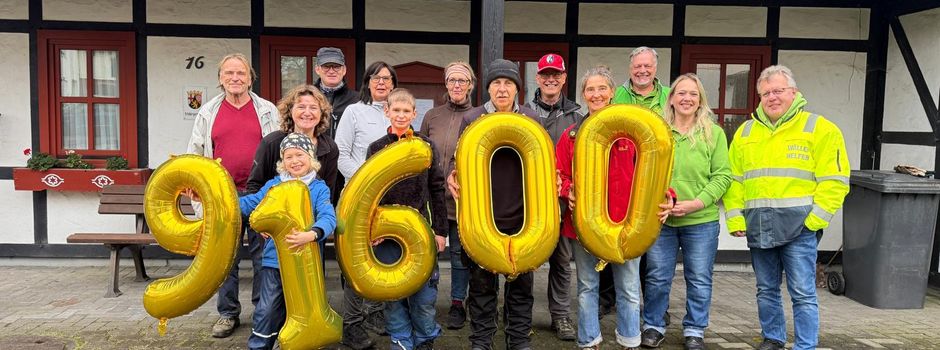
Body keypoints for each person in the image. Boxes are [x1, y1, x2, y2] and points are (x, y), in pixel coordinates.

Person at [724, 65, 850, 350]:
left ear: (793, 92)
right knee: (765, 290)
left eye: (778, 90)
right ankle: (773, 338)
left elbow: (836, 180)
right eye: (766, 93)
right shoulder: (745, 132)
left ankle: (805, 345)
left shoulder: (820, 129)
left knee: (803, 293)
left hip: (799, 228)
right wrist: (735, 220)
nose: (772, 97)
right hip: (759, 225)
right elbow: (733, 182)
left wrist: (814, 221)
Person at [556, 66, 672, 350]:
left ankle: (630, 340)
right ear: (583, 95)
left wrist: (668, 196)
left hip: (627, 225)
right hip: (583, 225)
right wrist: (566, 190)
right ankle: (588, 341)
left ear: (612, 92)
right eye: (590, 89)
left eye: (601, 88)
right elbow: (559, 175)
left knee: (629, 289)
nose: (596, 94)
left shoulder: (631, 133)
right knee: (586, 287)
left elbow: (654, 172)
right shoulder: (571, 135)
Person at [446, 58, 540, 350]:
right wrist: (452, 173)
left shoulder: (530, 119)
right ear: (487, 88)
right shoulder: (472, 118)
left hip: (522, 216)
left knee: (521, 286)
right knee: (482, 285)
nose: (502, 89)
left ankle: (518, 339)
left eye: (508, 83)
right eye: (496, 83)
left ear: (517, 89)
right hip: (483, 217)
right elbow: (459, 161)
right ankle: (481, 339)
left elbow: (542, 165)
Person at [186, 53, 280, 338]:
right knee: (225, 258)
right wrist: (193, 183)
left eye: (241, 73)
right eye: (229, 73)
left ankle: (263, 311)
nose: (235, 78)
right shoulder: (208, 112)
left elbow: (279, 151)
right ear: (220, 79)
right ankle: (228, 314)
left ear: (250, 78)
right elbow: (195, 151)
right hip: (221, 195)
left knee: (263, 255)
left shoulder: (267, 109)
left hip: (260, 193)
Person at [640, 73, 732, 350]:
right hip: (662, 218)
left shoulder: (713, 133)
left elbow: (723, 176)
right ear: (671, 98)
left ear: (700, 99)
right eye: (681, 93)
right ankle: (654, 325)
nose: (687, 98)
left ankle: (694, 329)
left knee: (699, 277)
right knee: (656, 276)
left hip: (701, 221)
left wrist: (697, 203)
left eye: (693, 94)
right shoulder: (657, 132)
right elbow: (644, 172)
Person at [368, 88, 448, 350]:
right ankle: (400, 339)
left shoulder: (425, 147)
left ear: (414, 114)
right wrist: (371, 229)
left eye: (406, 111)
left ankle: (425, 339)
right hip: (387, 234)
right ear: (387, 111)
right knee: (393, 292)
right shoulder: (376, 148)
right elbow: (368, 194)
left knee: (424, 294)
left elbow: (437, 189)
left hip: (420, 230)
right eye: (396, 110)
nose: (401, 115)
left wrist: (440, 230)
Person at [240, 133, 336, 350]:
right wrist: (213, 198)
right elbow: (249, 204)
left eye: (299, 155)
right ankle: (260, 345)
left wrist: (311, 234)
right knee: (267, 308)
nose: (294, 161)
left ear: (310, 157)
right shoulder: (274, 186)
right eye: (288, 156)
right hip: (275, 261)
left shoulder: (318, 188)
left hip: (305, 266)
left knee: (303, 311)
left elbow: (329, 217)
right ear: (282, 162)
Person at [335, 61, 398, 349]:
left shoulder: (398, 114)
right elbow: (341, 154)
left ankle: (375, 312)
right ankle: (352, 324)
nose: (382, 82)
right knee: (355, 260)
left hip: (387, 200)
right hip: (357, 197)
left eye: (387, 78)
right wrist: (367, 181)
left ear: (394, 84)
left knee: (380, 257)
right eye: (376, 77)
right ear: (367, 82)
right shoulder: (354, 111)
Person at [524, 53, 581, 341]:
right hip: (527, 200)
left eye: (555, 74)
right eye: (545, 74)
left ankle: (560, 317)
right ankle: (521, 319)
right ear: (537, 78)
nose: (550, 79)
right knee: (525, 259)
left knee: (561, 260)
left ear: (563, 78)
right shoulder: (522, 113)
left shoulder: (577, 116)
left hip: (560, 200)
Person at [419, 61, 475, 330]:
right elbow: (420, 151)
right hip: (433, 198)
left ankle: (456, 303)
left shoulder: (477, 116)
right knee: (429, 251)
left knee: (458, 254)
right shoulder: (432, 115)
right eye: (452, 80)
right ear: (446, 84)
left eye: (462, 81)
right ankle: (424, 302)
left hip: (461, 198)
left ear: (470, 85)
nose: (456, 85)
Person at [247, 84, 339, 199]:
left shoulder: (329, 148)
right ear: (290, 110)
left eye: (313, 108)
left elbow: (330, 193)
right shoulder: (271, 143)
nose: (307, 112)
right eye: (301, 107)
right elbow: (254, 186)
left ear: (322, 113)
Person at [313, 47, 358, 205]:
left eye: (336, 66)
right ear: (317, 69)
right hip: (313, 168)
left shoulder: (357, 100)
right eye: (326, 66)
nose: (331, 71)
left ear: (344, 70)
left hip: (345, 172)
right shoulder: (307, 97)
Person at [612, 46, 670, 116]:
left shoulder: (671, 95)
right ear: (630, 69)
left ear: (655, 69)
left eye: (647, 66)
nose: (642, 71)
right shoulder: (614, 95)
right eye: (637, 66)